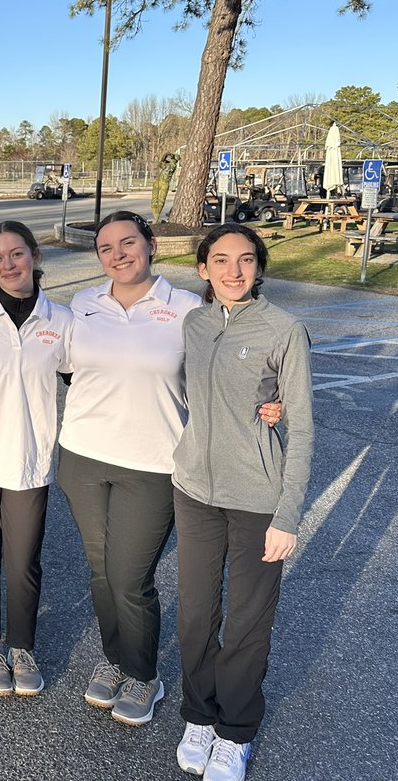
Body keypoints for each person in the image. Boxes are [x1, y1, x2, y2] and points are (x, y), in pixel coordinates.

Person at [57, 211, 281, 729]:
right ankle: (116, 660)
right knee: (100, 573)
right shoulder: (84, 304)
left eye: (128, 243)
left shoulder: (186, 308)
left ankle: (143, 674)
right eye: (106, 247)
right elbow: (64, 367)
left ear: (151, 245)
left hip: (154, 462)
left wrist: (278, 399)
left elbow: (247, 354)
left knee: (130, 578)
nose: (118, 254)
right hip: (83, 456)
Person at [171, 223, 313, 781]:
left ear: (259, 267)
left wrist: (288, 514)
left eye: (246, 260)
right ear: (203, 269)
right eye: (222, 260)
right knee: (195, 613)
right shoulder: (195, 322)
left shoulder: (285, 329)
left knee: (247, 623)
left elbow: (301, 429)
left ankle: (235, 733)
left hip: (257, 497)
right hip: (194, 491)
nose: (234, 271)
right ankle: (200, 717)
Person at [0, 221, 72, 698]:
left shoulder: (60, 321)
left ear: (35, 256)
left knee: (23, 562)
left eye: (16, 254)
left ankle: (22, 647)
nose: (8, 265)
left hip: (30, 459)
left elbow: (91, 379)